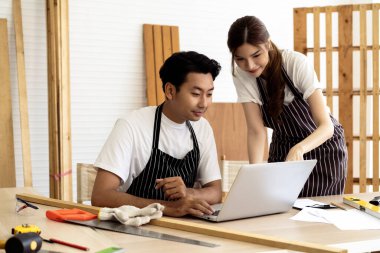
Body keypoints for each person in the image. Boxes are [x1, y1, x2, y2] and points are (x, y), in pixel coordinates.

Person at [227, 16, 347, 197]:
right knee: (278, 209)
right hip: (283, 147)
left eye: (256, 55)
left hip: (323, 149)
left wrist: (298, 149)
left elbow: (326, 126)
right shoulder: (241, 75)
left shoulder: (295, 63)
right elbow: (256, 131)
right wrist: (254, 175)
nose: (249, 65)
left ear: (267, 44)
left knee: (319, 214)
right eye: (240, 59)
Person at [91, 51, 222, 217]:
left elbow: (216, 192)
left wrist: (187, 193)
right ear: (170, 91)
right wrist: (167, 207)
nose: (204, 103)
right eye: (195, 94)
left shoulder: (202, 128)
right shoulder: (131, 126)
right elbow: (100, 195)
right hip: (135, 229)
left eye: (209, 94)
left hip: (184, 228)